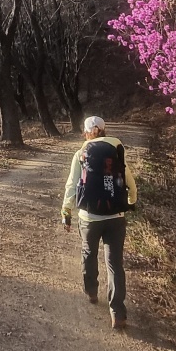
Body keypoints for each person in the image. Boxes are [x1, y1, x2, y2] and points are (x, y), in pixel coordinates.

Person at [60, 114, 137, 331]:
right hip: (115, 218)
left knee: (89, 253)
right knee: (115, 264)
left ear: (86, 133)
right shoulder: (116, 149)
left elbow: (72, 185)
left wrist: (66, 211)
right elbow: (128, 179)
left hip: (89, 218)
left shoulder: (81, 154)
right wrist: (131, 201)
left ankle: (92, 291)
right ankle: (118, 313)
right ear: (104, 130)